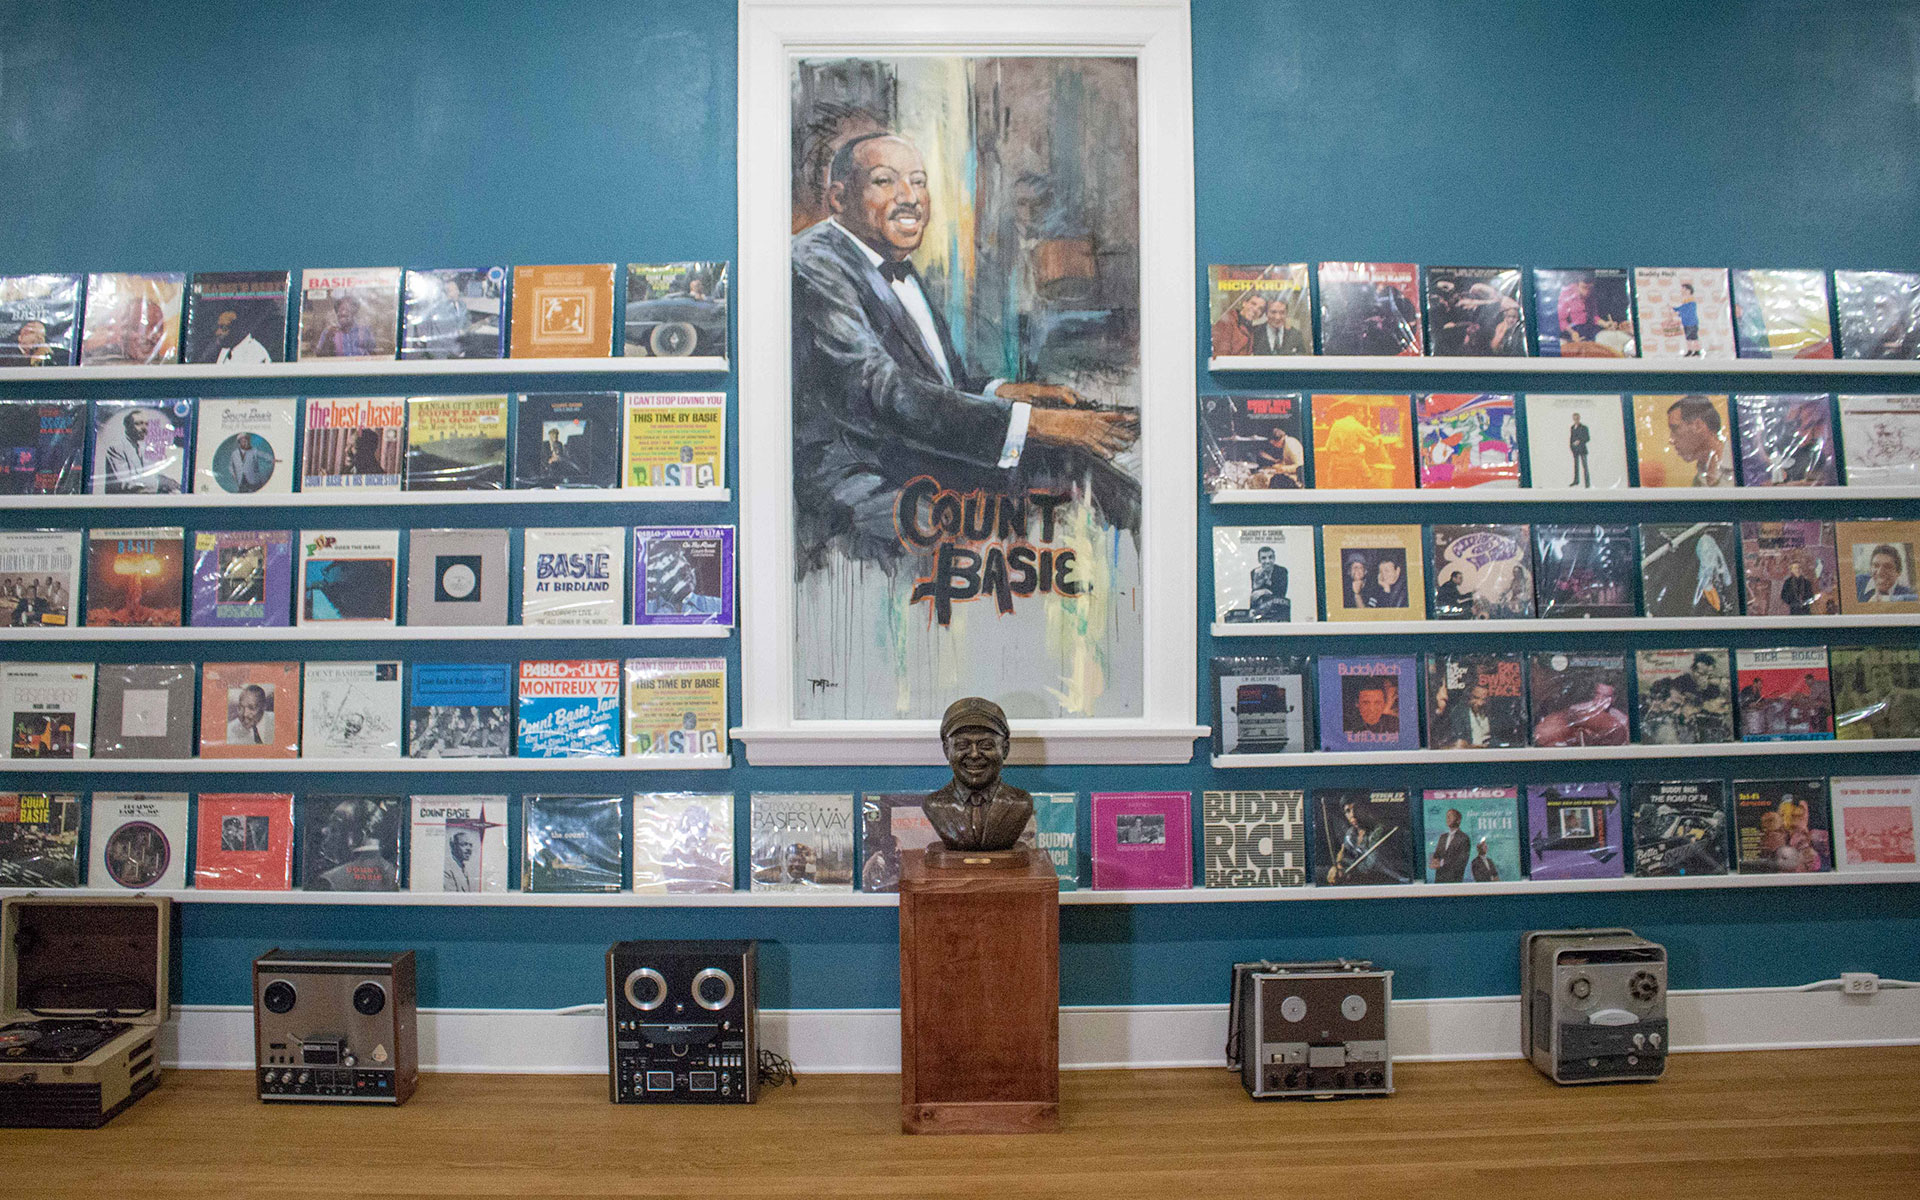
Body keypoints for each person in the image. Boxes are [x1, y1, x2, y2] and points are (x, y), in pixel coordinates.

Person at [790, 131, 1137, 564]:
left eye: (918, 181)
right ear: (839, 198)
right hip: (862, 485)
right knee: (1026, 525)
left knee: (1079, 471)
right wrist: (1038, 423)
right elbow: (882, 391)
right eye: (885, 181)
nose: (910, 197)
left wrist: (1003, 392)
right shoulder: (813, 262)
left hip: (916, 457)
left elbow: (937, 384)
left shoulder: (892, 264)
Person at [920, 696, 1034, 852]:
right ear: (947, 750)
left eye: (986, 745)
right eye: (962, 745)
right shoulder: (934, 804)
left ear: (1005, 749)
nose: (974, 754)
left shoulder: (1021, 803)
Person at [96, 407, 180, 493]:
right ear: (127, 425)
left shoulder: (143, 447)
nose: (144, 428)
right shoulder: (116, 449)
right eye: (138, 424)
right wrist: (160, 483)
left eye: (146, 424)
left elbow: (144, 476)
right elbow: (126, 483)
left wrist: (164, 480)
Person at [1665, 395, 1730, 486]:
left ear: (1698, 425)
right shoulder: (1699, 479)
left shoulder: (1745, 463)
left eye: (1675, 429)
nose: (1671, 440)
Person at [205, 308, 273, 364]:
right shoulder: (225, 350)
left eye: (224, 328)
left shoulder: (257, 353)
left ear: (237, 330)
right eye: (218, 327)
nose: (217, 333)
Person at [1210, 290, 1263, 357]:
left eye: (1260, 309)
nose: (1255, 309)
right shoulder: (1227, 323)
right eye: (1253, 304)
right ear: (1244, 303)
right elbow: (1221, 356)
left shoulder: (1251, 329)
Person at [1248, 544, 1289, 622]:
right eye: (1263, 558)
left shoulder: (1281, 571)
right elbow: (1254, 594)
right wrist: (1252, 608)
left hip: (1278, 610)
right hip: (1261, 611)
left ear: (1274, 558)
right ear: (1259, 560)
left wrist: (1264, 591)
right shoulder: (1255, 572)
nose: (1267, 561)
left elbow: (1281, 593)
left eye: (1270, 557)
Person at [1429, 808, 1469, 882]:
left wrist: (1441, 864)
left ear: (1458, 820)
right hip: (1439, 880)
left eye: (1450, 816)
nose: (1447, 819)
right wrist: (1434, 861)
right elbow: (1437, 855)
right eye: (1447, 816)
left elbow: (1461, 861)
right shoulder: (1443, 837)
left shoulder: (1464, 838)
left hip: (1454, 881)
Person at [444, 824, 480, 892]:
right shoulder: (447, 870)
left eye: (470, 845)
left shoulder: (464, 868)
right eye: (464, 844)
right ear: (454, 846)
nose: (469, 849)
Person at [1670, 282, 1702, 356]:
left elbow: (1686, 310)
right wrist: (1675, 309)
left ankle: (1697, 350)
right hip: (1687, 322)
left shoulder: (1691, 300)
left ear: (1689, 290)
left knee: (1693, 337)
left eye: (1684, 289)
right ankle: (1691, 350)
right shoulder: (1685, 300)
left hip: (1692, 322)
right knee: (1689, 338)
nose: (1682, 291)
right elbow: (1683, 309)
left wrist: (1677, 311)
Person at [1567, 411, 1591, 487]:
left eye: (1577, 418)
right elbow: (1571, 438)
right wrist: (1571, 446)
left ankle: (1587, 483)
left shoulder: (1584, 427)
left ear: (1579, 418)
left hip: (1582, 450)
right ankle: (1576, 480)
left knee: (1585, 467)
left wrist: (1579, 441)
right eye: (1574, 418)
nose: (1576, 420)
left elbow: (1587, 438)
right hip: (1575, 450)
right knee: (1576, 466)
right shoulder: (1572, 428)